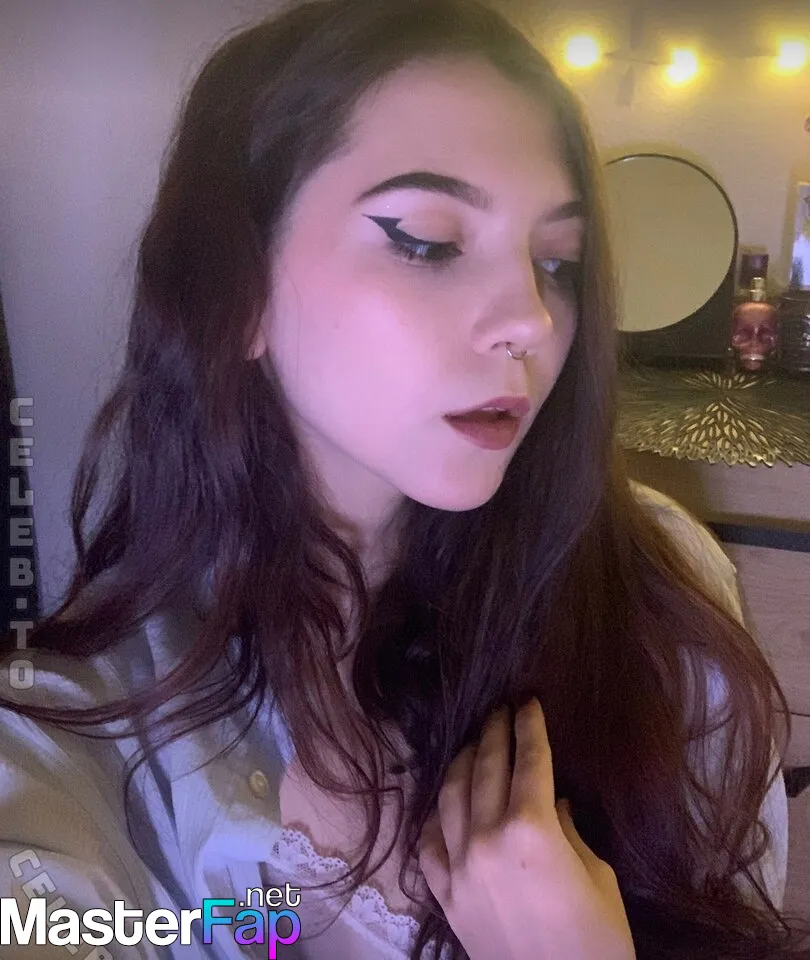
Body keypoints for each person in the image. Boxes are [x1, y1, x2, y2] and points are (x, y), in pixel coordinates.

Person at [0, 1, 808, 957]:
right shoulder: (75, 753)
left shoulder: (655, 589)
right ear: (238, 291)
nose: (533, 320)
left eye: (558, 263)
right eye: (427, 240)